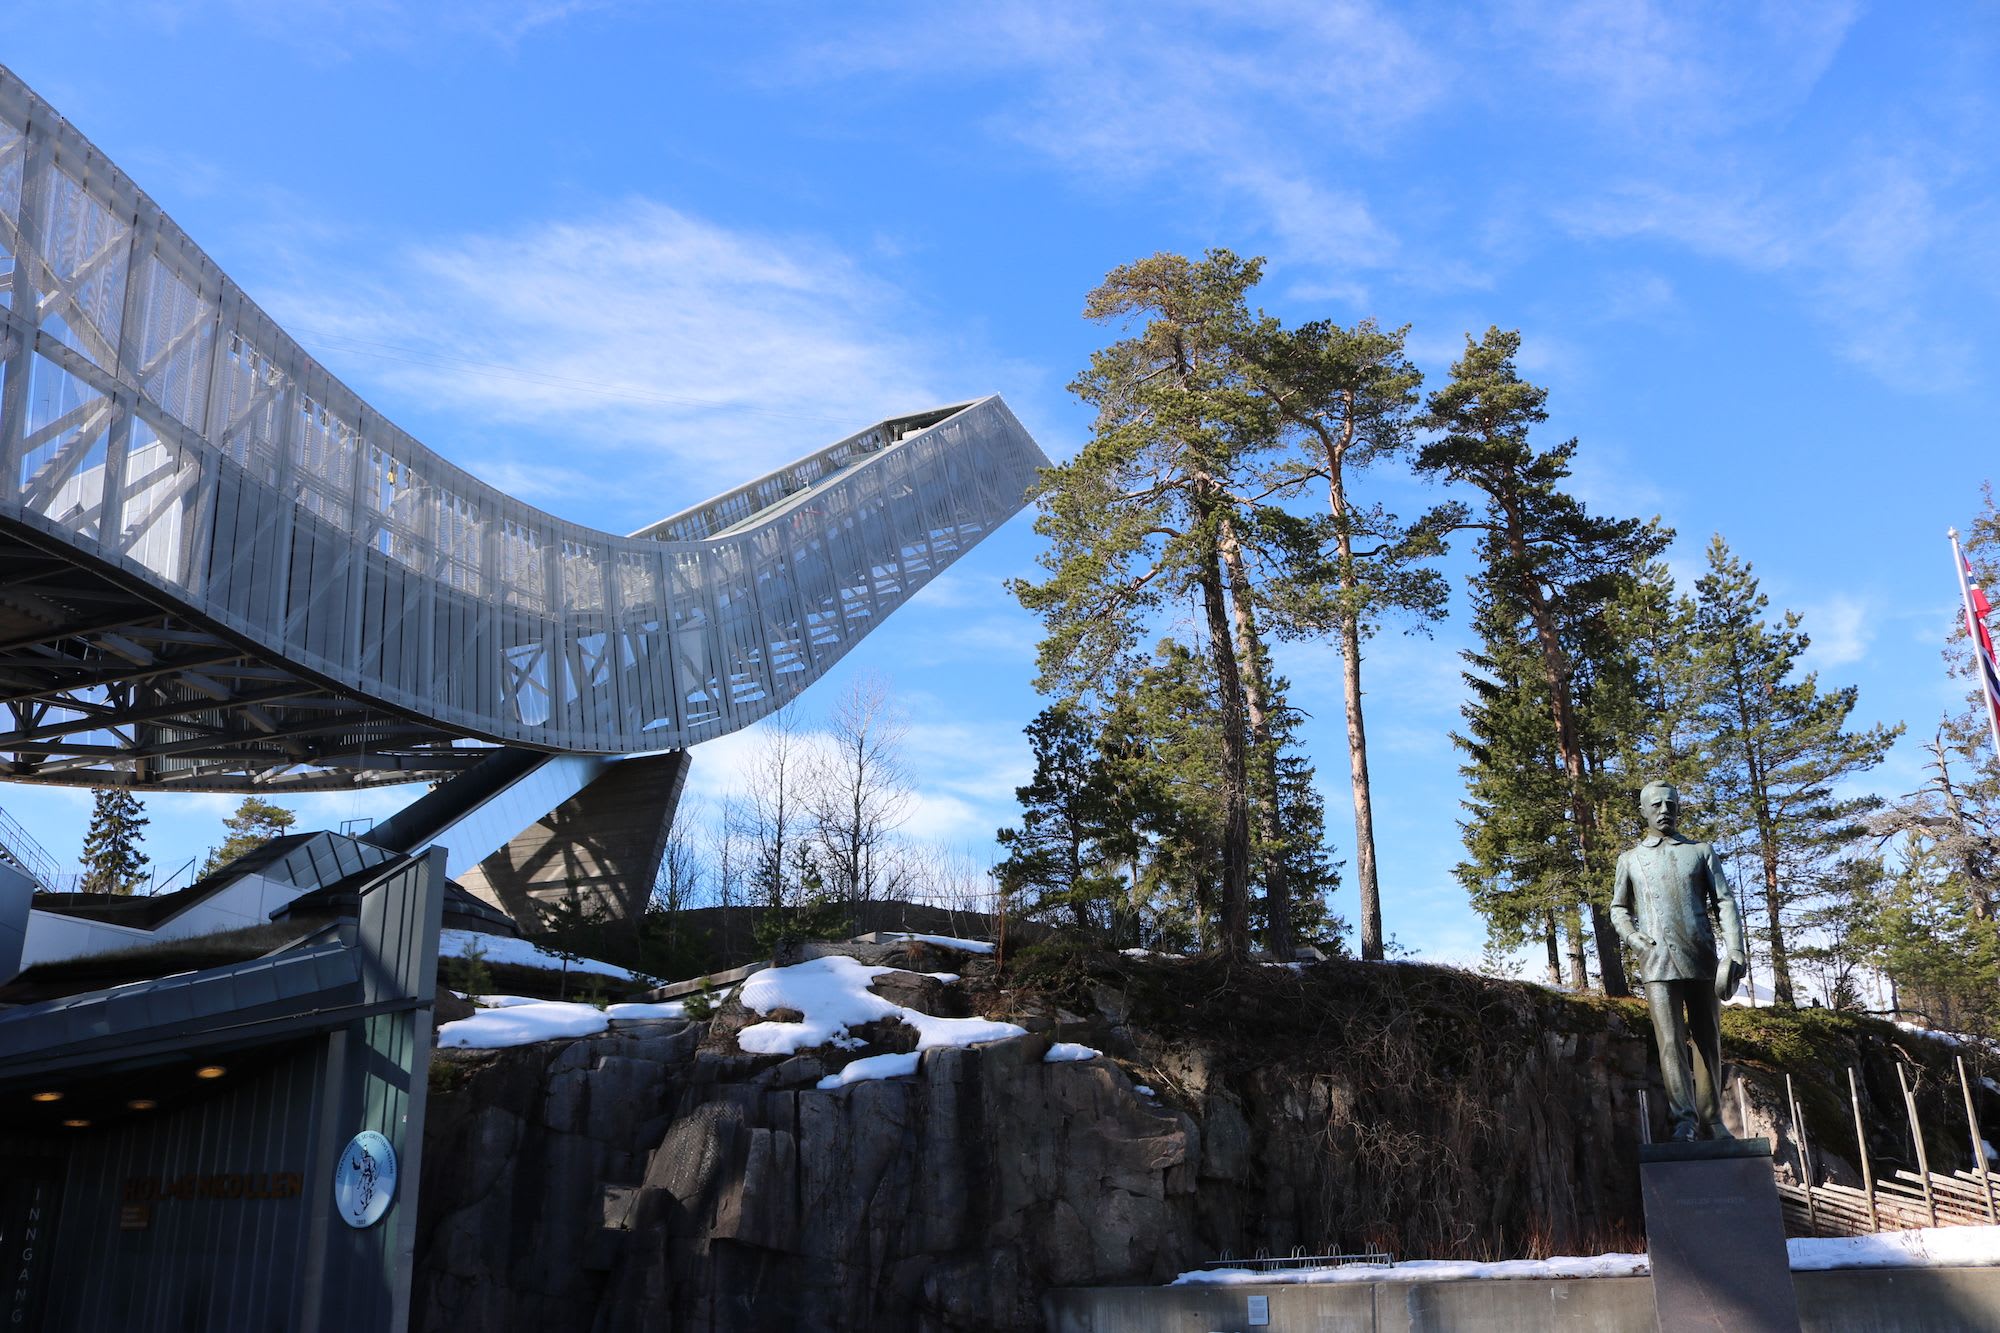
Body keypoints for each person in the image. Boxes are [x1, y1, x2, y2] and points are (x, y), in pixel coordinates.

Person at [1610, 781, 1748, 1142]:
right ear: (1643, 811)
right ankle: (1683, 1119)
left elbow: (1725, 902)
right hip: (1656, 960)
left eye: (1670, 803)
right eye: (1656, 804)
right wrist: (1632, 936)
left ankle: (1712, 1119)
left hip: (1702, 958)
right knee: (1669, 1041)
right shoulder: (1631, 860)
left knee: (1708, 1039)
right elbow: (1618, 908)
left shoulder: (1700, 852)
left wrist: (1735, 950)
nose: (1664, 809)